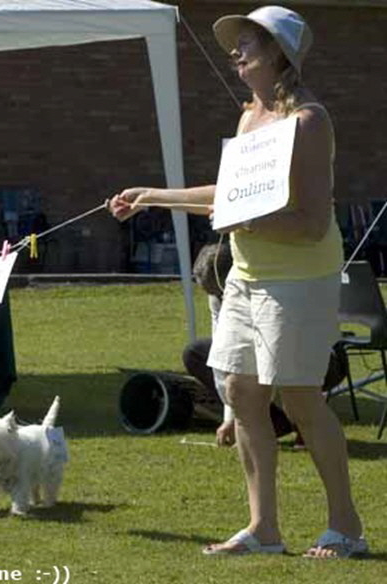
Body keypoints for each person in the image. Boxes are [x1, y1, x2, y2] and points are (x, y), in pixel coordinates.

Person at [109, 6, 366, 558]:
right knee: (241, 393)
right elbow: (231, 194)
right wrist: (152, 195)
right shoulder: (251, 117)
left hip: (299, 279)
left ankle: (346, 528)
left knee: (300, 400)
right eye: (237, 44)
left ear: (278, 53)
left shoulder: (310, 122)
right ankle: (263, 530)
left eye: (248, 43)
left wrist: (243, 220)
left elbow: (313, 222)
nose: (235, 52)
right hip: (247, 278)